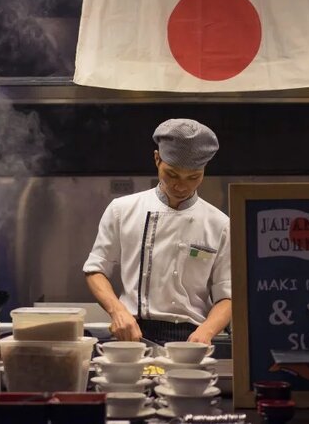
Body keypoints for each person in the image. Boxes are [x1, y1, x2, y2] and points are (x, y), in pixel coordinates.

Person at [83, 118, 231, 344]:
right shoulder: (122, 209)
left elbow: (228, 295)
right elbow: (95, 269)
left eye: (193, 177)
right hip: (132, 334)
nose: (181, 186)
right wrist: (117, 311)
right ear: (157, 159)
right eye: (172, 174)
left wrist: (207, 331)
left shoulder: (220, 224)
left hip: (191, 338)